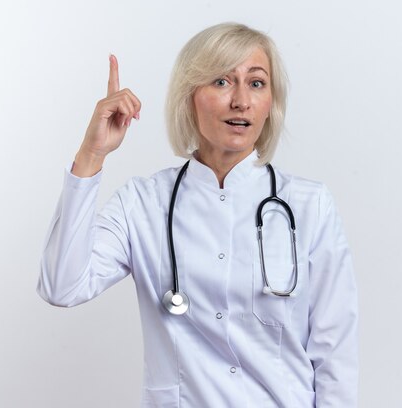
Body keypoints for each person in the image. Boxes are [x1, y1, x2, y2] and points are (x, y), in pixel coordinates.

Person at [38, 22, 358, 407]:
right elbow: (62, 286)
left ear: (271, 101)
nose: (241, 100)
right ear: (189, 96)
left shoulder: (309, 205)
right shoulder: (144, 203)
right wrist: (92, 155)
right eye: (222, 82)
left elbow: (334, 351)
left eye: (256, 83)